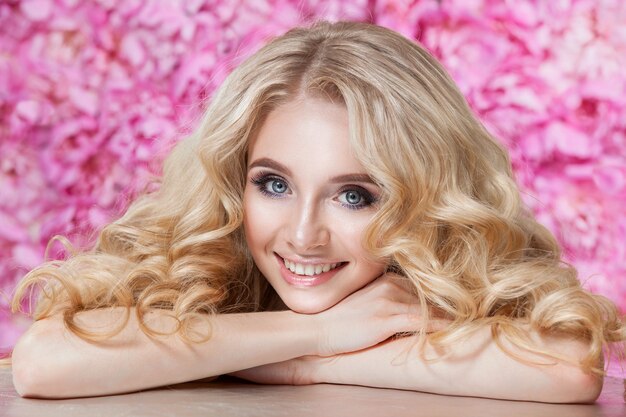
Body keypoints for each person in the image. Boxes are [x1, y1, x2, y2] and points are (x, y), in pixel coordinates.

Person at [4, 20, 624, 402]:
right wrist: (316, 338)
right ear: (233, 181)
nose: (302, 235)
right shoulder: (205, 263)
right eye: (273, 185)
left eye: (355, 196)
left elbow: (568, 367)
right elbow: (42, 362)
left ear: (424, 193)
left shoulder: (436, 283)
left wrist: (290, 366)